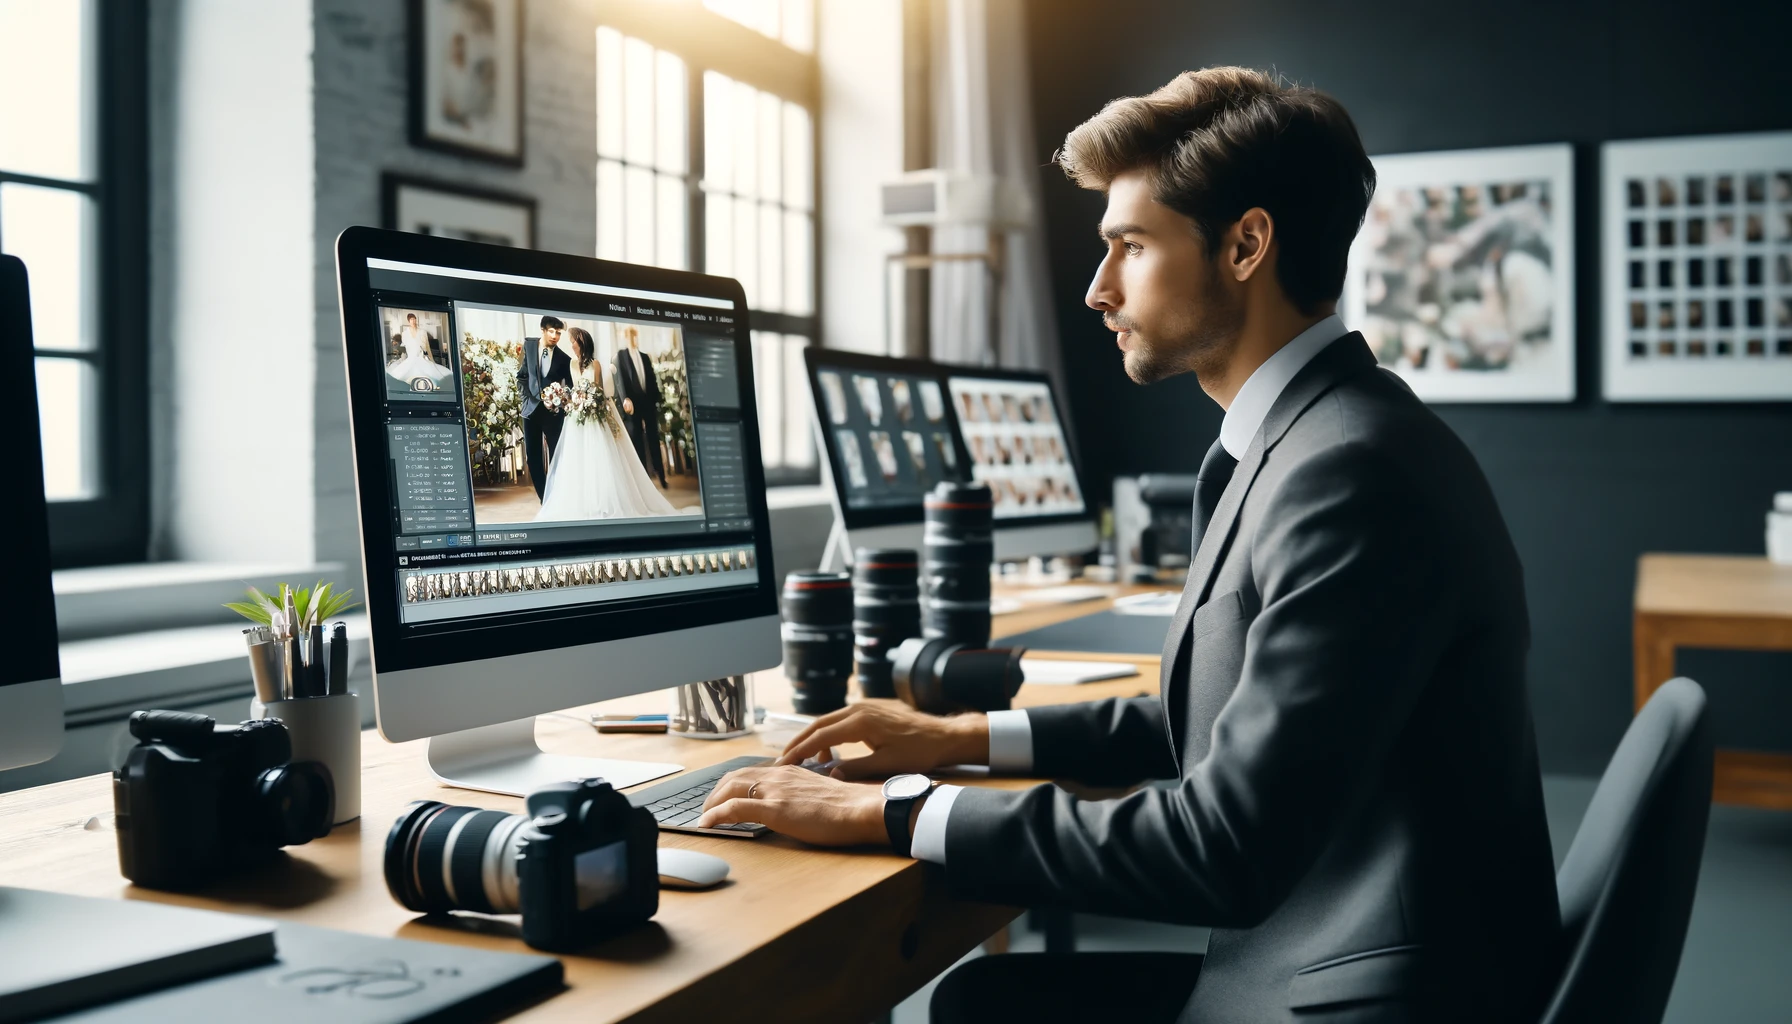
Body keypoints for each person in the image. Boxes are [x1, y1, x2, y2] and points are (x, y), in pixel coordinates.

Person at [696, 67, 1561, 1024]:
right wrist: (960, 738)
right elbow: (1222, 717)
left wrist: (896, 810)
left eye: (1131, 246)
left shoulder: (1348, 474)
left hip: (1362, 994)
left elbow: (1220, 846)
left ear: (1245, 245)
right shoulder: (1324, 437)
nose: (1098, 290)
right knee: (984, 999)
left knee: (978, 1008)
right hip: (1329, 950)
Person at [535, 327, 686, 522]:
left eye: (573, 341)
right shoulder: (572, 364)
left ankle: (605, 501)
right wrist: (565, 398)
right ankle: (583, 502)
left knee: (600, 459)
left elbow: (598, 392)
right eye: (571, 341)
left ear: (582, 342)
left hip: (595, 416)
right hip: (577, 420)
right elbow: (572, 388)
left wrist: (589, 400)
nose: (571, 345)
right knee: (578, 462)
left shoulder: (595, 364)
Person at [517, 315, 572, 501]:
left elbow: (569, 388)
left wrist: (561, 401)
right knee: (533, 457)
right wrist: (525, 398)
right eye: (551, 331)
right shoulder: (529, 346)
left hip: (553, 414)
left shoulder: (565, 359)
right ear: (543, 329)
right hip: (530, 411)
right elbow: (522, 376)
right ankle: (544, 498)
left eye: (558, 332)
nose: (555, 336)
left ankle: (557, 496)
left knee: (557, 456)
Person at [612, 325, 669, 488]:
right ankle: (644, 480)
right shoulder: (620, 356)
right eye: (629, 335)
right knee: (637, 440)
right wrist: (625, 399)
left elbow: (651, 378)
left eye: (634, 335)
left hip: (648, 403)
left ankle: (661, 476)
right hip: (633, 405)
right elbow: (620, 380)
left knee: (653, 438)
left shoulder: (645, 356)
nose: (632, 338)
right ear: (625, 337)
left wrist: (656, 399)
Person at [386, 312, 451, 386]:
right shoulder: (405, 334)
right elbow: (405, 348)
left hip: (420, 357)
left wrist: (430, 357)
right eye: (411, 319)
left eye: (414, 319)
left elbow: (426, 348)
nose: (413, 321)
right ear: (409, 321)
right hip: (410, 359)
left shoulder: (422, 332)